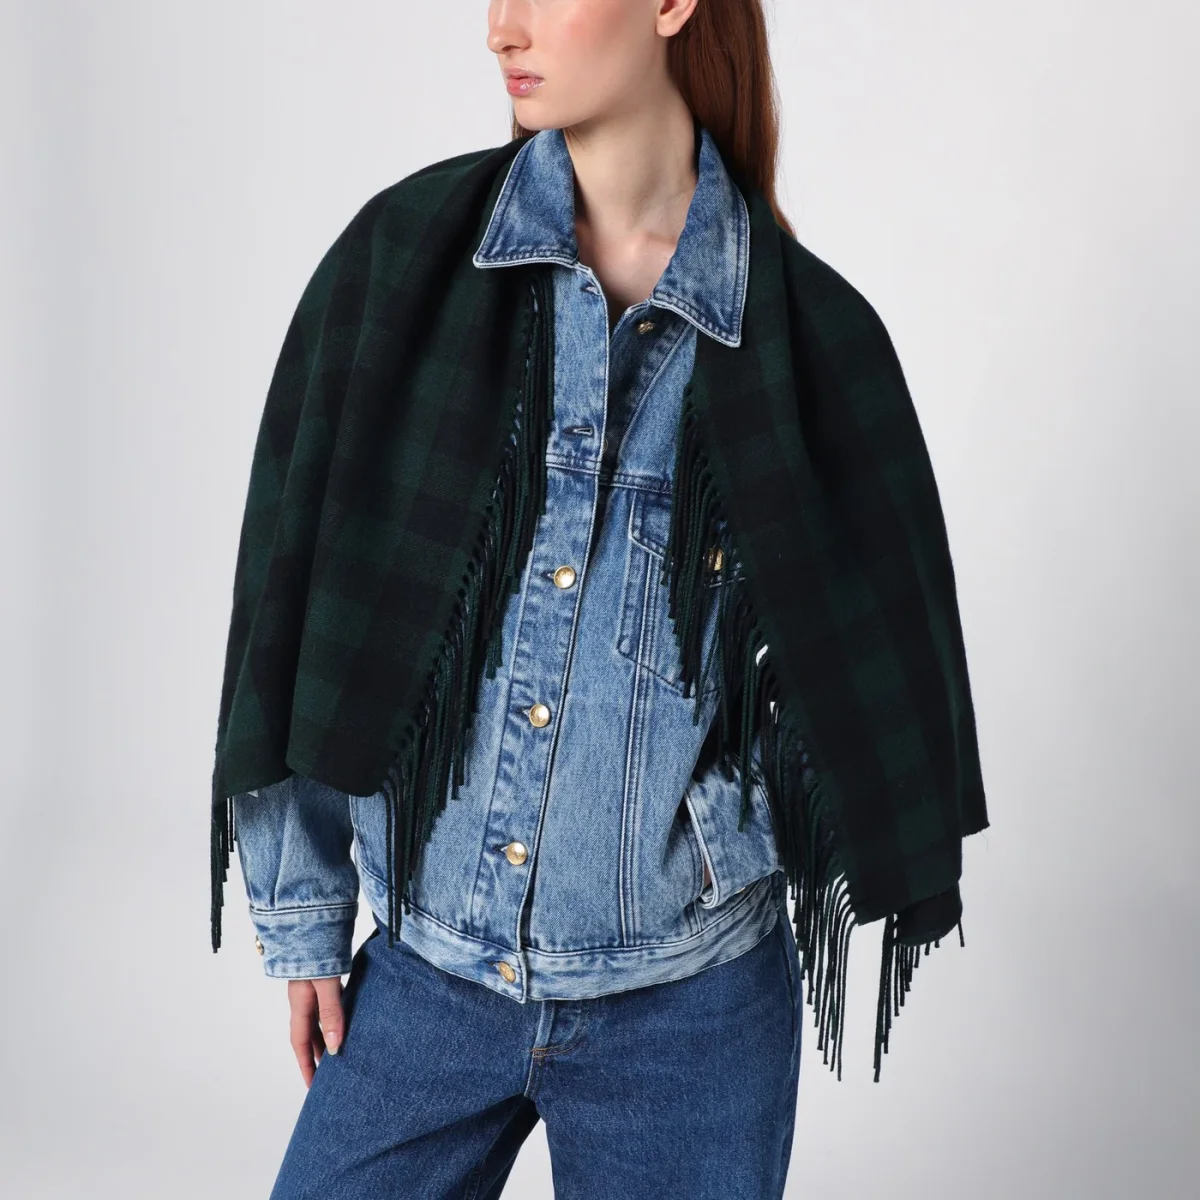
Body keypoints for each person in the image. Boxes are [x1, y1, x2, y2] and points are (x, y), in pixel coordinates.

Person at [213, 1, 988, 1196]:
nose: (501, 28)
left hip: (691, 1018)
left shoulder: (813, 347)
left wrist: (711, 838)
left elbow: (868, 690)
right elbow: (299, 591)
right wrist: (304, 911)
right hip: (425, 978)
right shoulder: (403, 264)